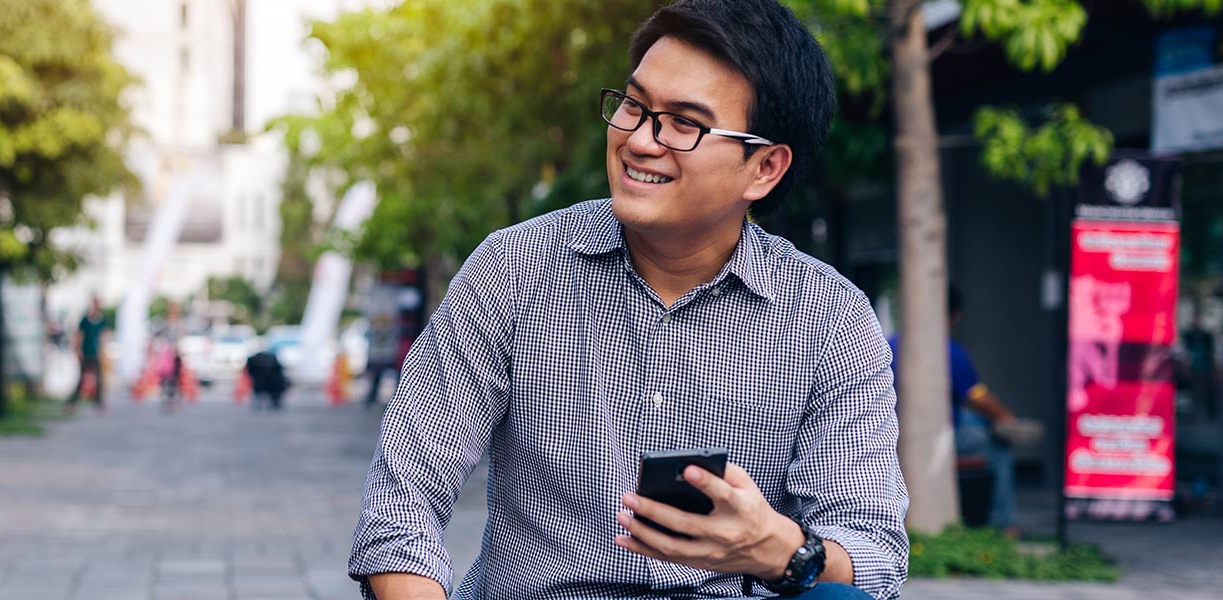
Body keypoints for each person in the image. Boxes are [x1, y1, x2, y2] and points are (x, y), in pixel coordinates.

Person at [348, 1, 907, 599]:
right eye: (635, 107)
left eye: (684, 123)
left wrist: (781, 550)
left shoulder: (830, 320)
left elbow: (874, 554)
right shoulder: (515, 269)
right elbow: (400, 505)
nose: (641, 140)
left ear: (764, 168)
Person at [889, 287, 1021, 535]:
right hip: (935, 437)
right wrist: (1005, 416)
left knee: (973, 421)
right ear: (952, 316)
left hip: (892, 432)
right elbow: (978, 397)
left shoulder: (890, 343)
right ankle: (1004, 524)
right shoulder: (946, 350)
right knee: (997, 447)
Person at [67, 297, 109, 414]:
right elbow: (79, 336)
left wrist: (102, 352)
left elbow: (103, 337)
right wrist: (78, 350)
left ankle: (98, 402)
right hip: (86, 351)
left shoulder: (101, 320)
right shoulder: (85, 320)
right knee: (81, 379)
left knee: (99, 379)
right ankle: (71, 402)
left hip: (96, 353)